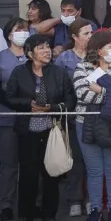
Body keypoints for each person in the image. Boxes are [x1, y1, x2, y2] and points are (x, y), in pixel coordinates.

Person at [3, 34, 76, 221]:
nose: (47, 51)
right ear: (29, 53)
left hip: (52, 132)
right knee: (28, 177)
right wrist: (28, 104)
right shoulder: (19, 72)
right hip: (28, 133)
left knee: (52, 175)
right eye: (41, 48)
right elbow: (9, 97)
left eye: (48, 47)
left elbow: (70, 99)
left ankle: (49, 215)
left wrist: (50, 108)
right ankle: (26, 214)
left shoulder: (58, 72)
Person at [73, 31, 111, 221]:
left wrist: (100, 89)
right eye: (110, 46)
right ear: (98, 50)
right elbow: (83, 94)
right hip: (87, 124)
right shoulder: (82, 67)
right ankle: (95, 210)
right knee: (94, 170)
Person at [54, 18, 93, 217]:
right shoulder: (64, 58)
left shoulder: (96, 55)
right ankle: (75, 199)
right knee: (76, 159)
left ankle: (91, 199)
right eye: (86, 34)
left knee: (92, 160)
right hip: (72, 115)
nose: (90, 37)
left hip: (94, 115)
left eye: (91, 33)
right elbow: (59, 86)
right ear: (75, 37)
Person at [0, 18, 29, 221]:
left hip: (32, 118)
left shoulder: (33, 56)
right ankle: (6, 205)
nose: (23, 33)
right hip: (8, 119)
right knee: (9, 165)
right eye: (19, 30)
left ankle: (31, 204)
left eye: (26, 29)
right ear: (9, 34)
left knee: (31, 164)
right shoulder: (1, 58)